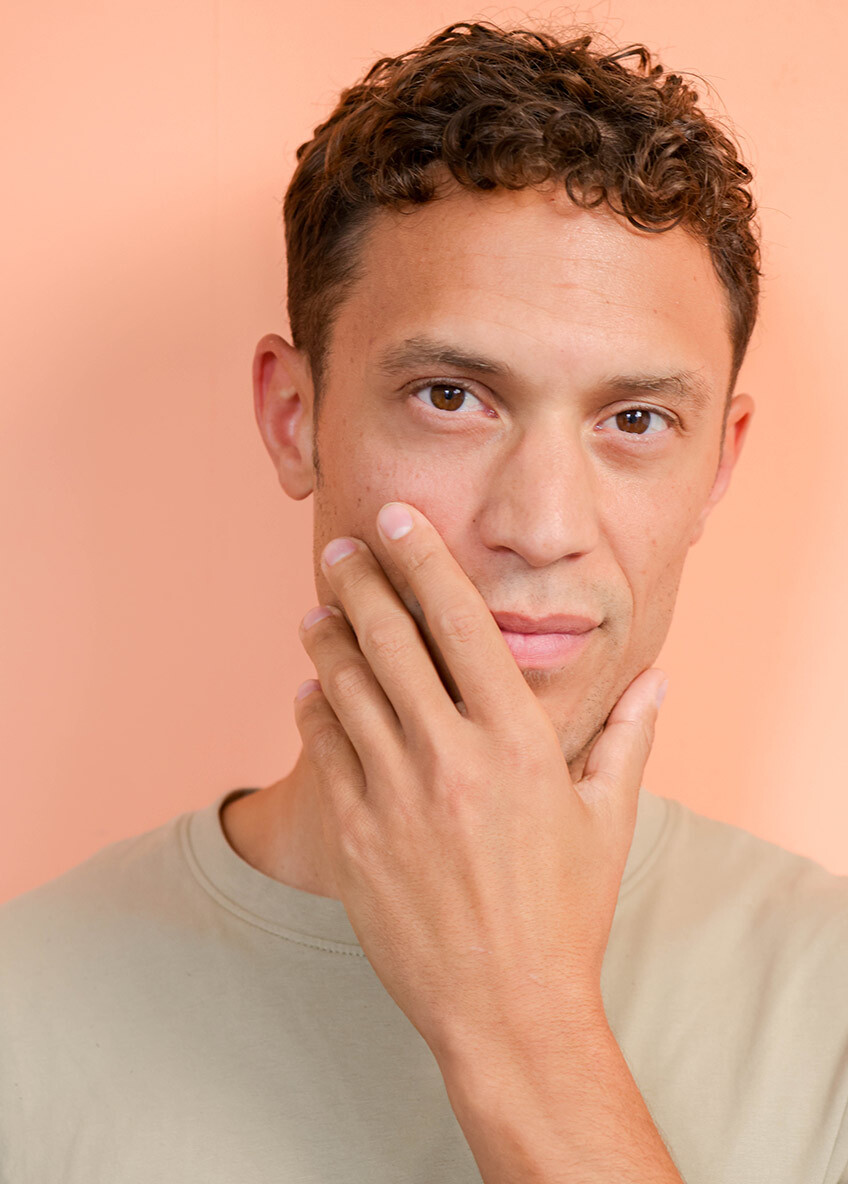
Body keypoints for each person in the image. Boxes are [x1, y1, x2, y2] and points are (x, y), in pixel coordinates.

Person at [1, 19, 846, 1184]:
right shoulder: (24, 1015)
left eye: (635, 419)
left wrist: (524, 1028)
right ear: (293, 415)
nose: (541, 524)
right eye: (450, 396)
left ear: (717, 465)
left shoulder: (826, 995)